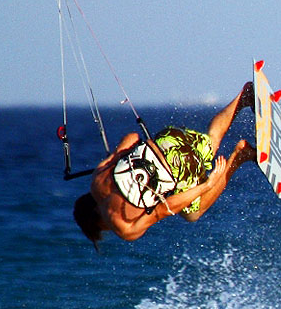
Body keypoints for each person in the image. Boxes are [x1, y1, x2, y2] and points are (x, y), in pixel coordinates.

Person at [73, 82, 257, 250]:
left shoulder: (125, 228)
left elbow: (165, 207)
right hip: (168, 139)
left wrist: (207, 186)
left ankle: (240, 155)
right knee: (211, 140)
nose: (108, 231)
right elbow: (132, 138)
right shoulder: (97, 178)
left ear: (95, 222)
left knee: (192, 214)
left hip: (178, 165)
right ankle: (244, 97)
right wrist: (118, 157)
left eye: (102, 232)